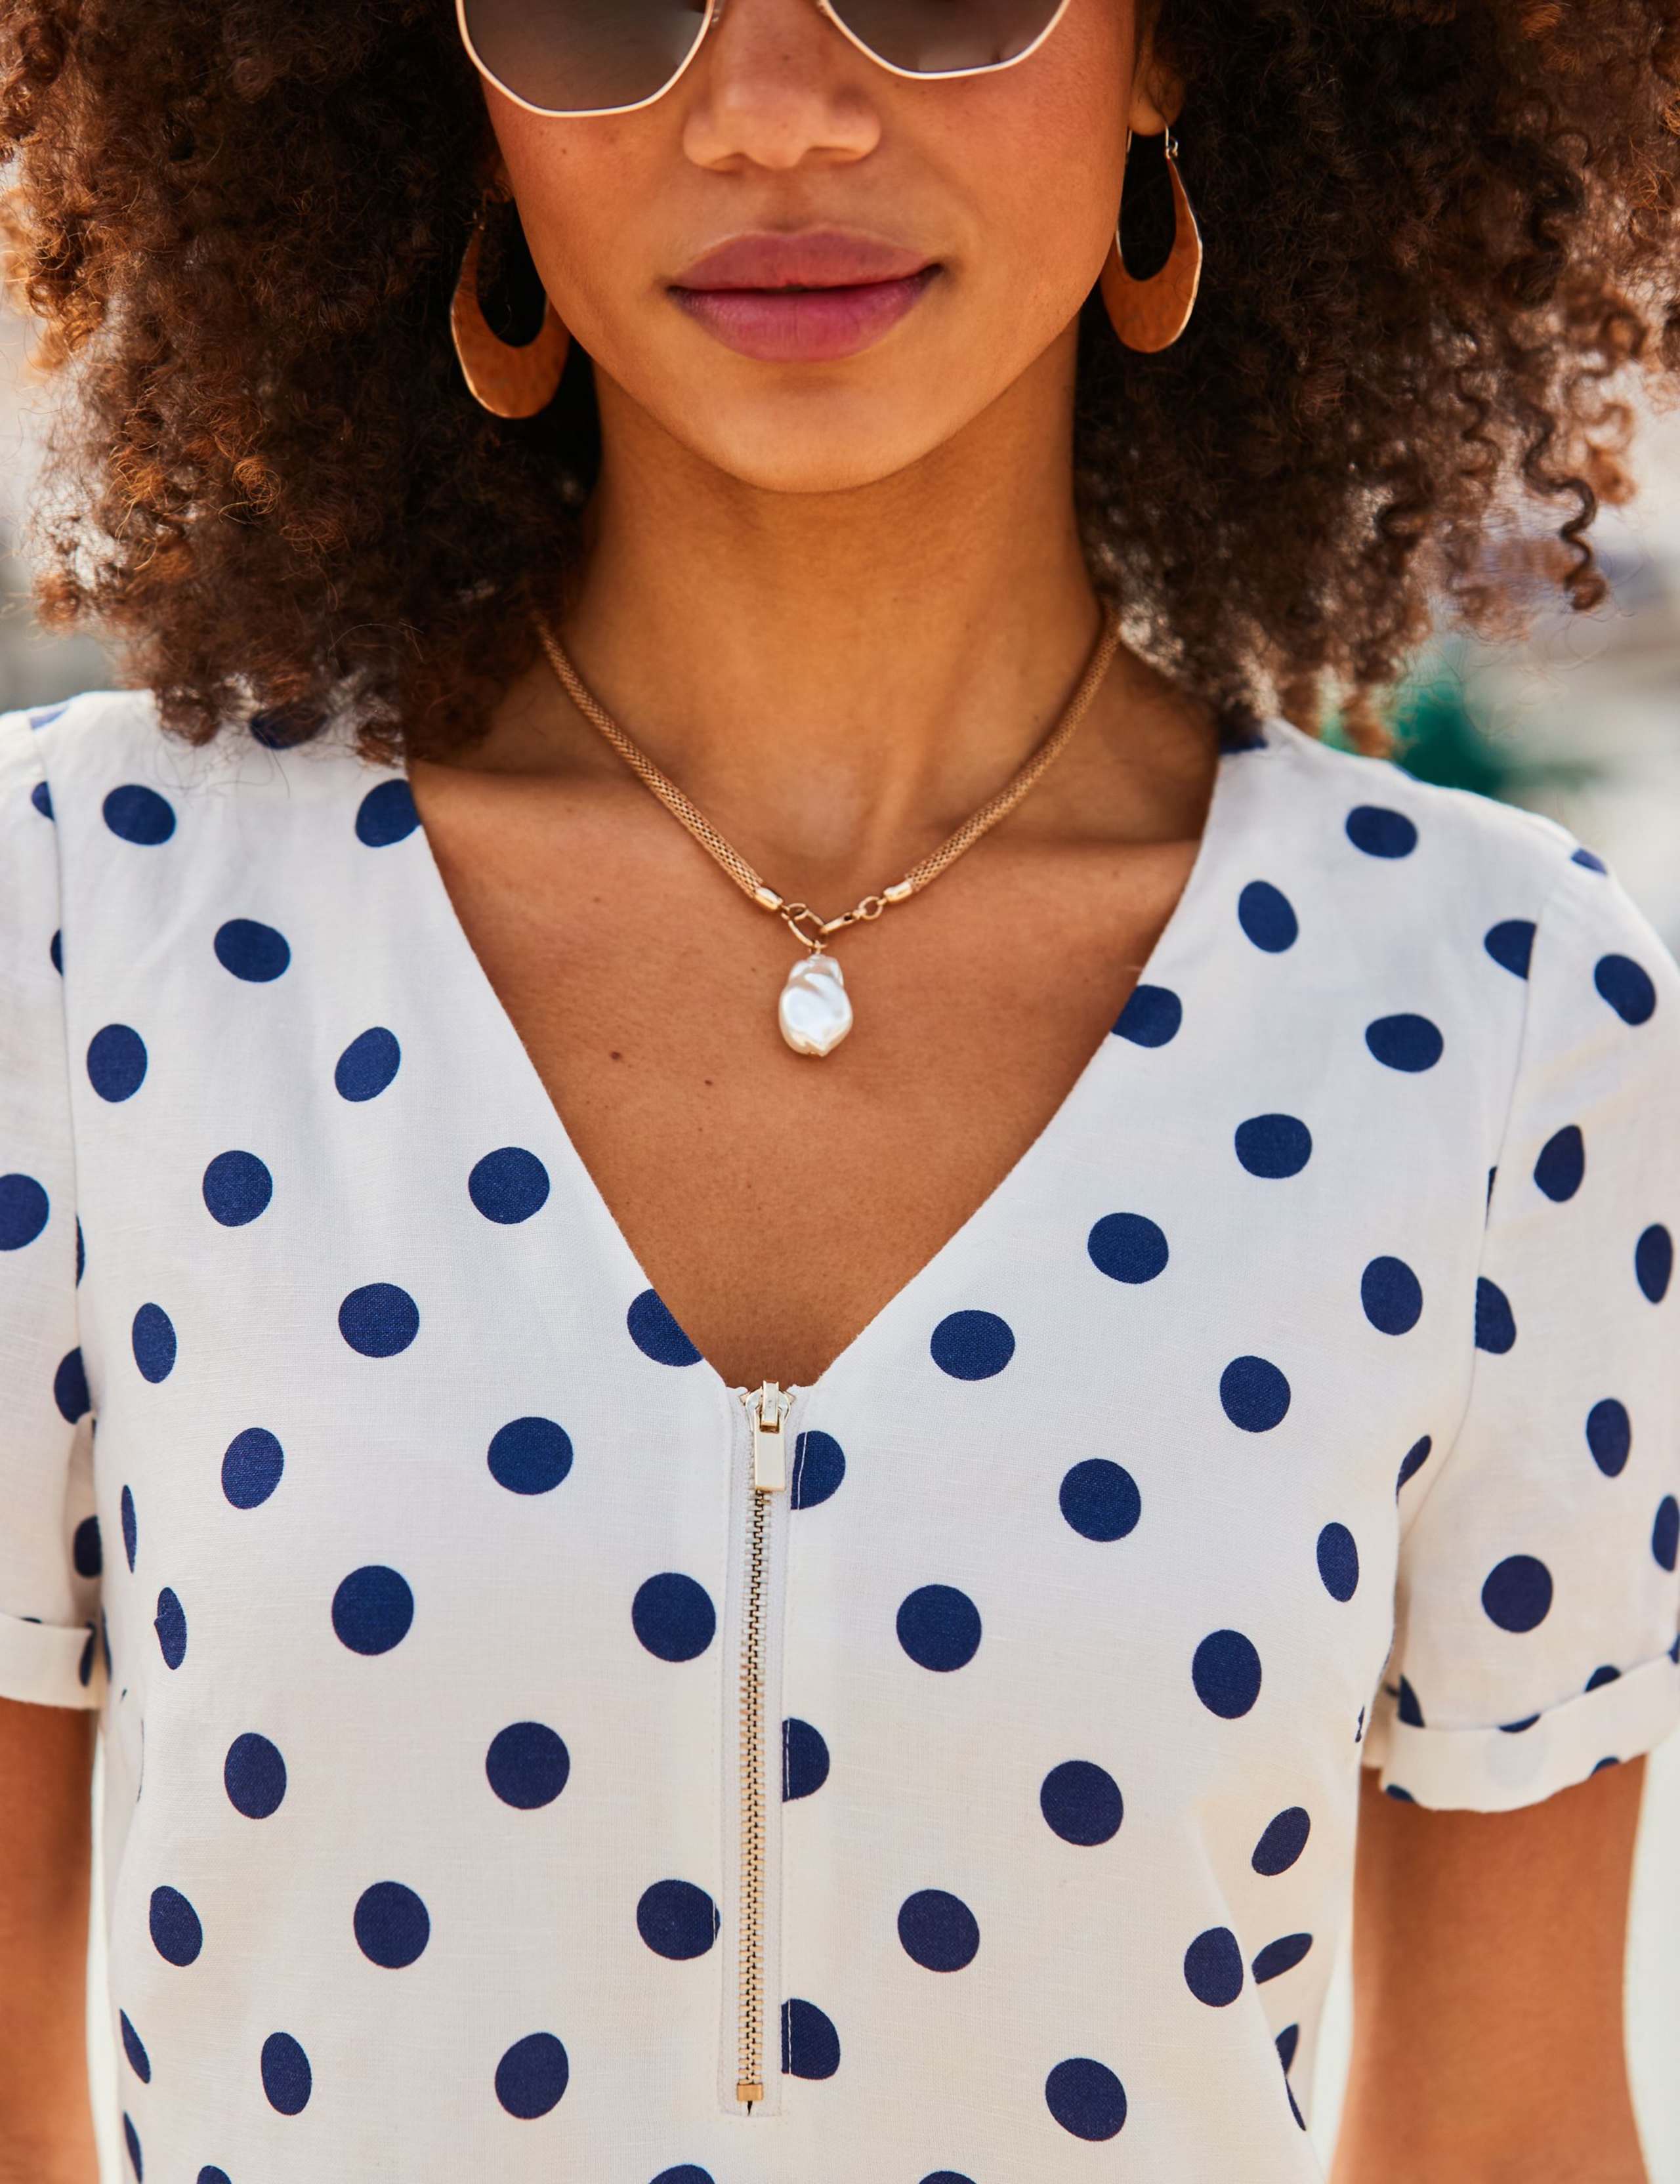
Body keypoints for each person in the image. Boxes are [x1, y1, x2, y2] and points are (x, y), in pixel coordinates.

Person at [1, 1, 1678, 2178]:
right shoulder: (72, 925)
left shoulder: (1506, 1015)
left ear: (1180, 45)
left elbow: (1508, 2138)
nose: (777, 114)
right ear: (444, 86)